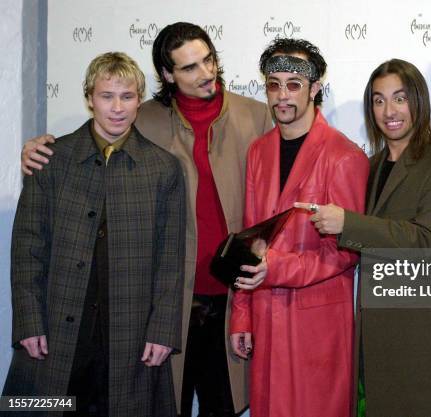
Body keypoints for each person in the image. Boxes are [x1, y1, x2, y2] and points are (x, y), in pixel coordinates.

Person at [20, 22, 273, 417]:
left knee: (223, 404)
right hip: (164, 303)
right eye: (190, 67)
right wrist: (41, 149)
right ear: (168, 75)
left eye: (208, 60)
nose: (205, 73)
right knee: (156, 403)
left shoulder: (257, 118)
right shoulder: (144, 118)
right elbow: (95, 139)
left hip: (231, 295)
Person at [2, 52, 185, 417]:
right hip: (55, 331)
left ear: (139, 100)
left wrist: (163, 329)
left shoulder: (163, 168)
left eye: (127, 96)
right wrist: (28, 321)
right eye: (106, 96)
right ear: (89, 98)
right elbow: (27, 248)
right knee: (48, 408)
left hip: (131, 338)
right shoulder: (50, 160)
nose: (117, 108)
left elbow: (171, 260)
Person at [296, 59, 431, 417]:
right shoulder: (368, 166)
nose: (389, 111)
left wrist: (349, 223)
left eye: (399, 98)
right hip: (377, 338)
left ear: (418, 102)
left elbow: (427, 241)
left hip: (427, 334)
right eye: (378, 100)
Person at [228, 38, 369, 417]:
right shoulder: (259, 151)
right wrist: (242, 313)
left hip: (318, 326)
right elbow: (250, 238)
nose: (282, 96)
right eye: (274, 84)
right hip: (266, 317)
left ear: (315, 89)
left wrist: (275, 267)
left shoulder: (344, 156)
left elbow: (346, 252)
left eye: (293, 84)